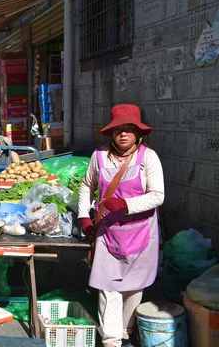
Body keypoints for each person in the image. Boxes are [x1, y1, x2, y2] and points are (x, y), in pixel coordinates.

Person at [78, 104, 164, 347]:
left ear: (138, 133)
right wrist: (84, 216)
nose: (123, 134)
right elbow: (87, 186)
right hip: (108, 234)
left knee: (135, 287)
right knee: (109, 287)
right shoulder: (99, 157)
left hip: (142, 233)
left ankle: (125, 329)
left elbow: (158, 196)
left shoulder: (149, 158)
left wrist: (125, 204)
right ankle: (112, 340)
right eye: (118, 130)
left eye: (129, 129)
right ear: (111, 133)